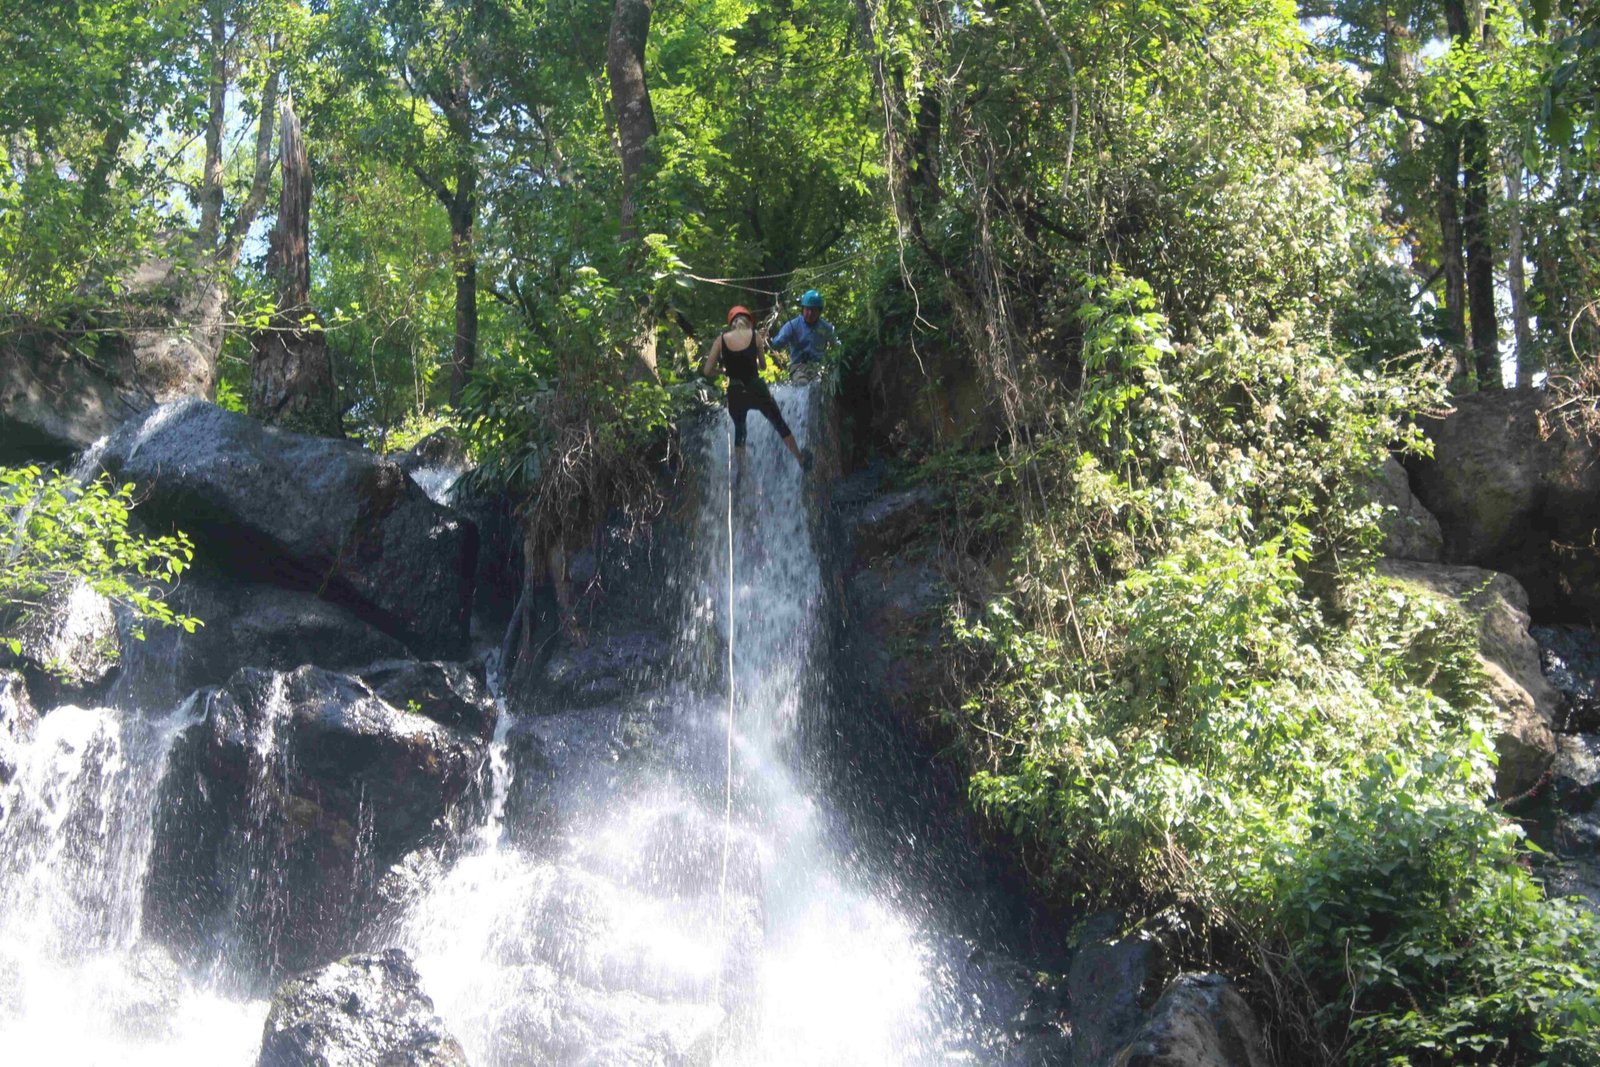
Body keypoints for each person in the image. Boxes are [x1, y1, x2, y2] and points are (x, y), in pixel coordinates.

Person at [701, 305, 814, 477]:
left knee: (740, 432)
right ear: (749, 321)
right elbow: (762, 366)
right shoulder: (755, 337)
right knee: (779, 423)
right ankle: (800, 458)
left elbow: (707, 371)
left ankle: (742, 474)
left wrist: (723, 371)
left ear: (731, 323)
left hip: (735, 391)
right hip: (756, 388)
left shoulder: (720, 340)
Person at [768, 289, 836, 379]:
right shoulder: (793, 325)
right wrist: (769, 340)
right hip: (798, 367)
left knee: (819, 383)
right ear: (803, 309)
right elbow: (777, 342)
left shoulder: (826, 328)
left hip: (818, 368)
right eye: (807, 309)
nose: (810, 313)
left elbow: (836, 346)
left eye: (813, 310)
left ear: (819, 311)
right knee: (802, 382)